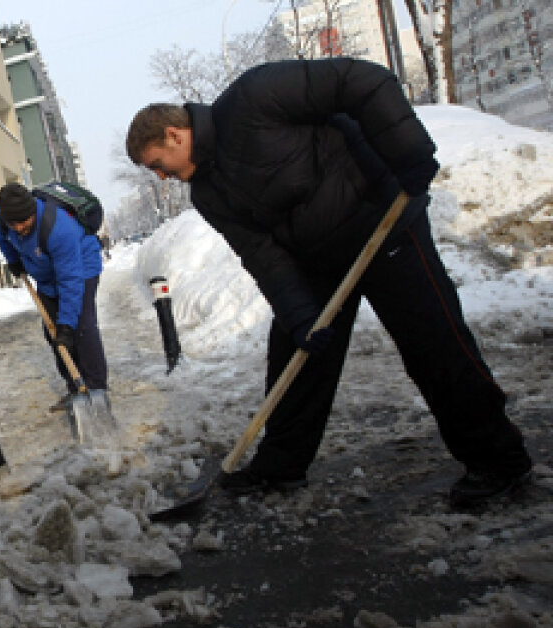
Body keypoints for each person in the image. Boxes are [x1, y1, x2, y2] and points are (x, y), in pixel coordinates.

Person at [125, 58, 532, 507]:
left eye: (157, 164)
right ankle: (280, 467)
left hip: (383, 224)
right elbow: (262, 255)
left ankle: (497, 459)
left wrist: (407, 151)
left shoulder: (255, 97)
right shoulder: (208, 192)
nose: (160, 177)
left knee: (433, 344)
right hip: (317, 260)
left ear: (175, 135)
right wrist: (300, 316)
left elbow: (361, 81)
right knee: (296, 356)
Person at [0, 183, 108, 412]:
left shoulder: (58, 228)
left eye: (24, 221)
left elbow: (70, 280)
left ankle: (96, 390)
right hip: (45, 275)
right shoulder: (1, 218)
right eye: (13, 224)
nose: (19, 228)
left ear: (33, 211)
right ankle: (75, 388)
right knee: (53, 333)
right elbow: (2, 237)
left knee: (80, 327)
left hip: (81, 268)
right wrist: (13, 260)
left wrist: (67, 324)